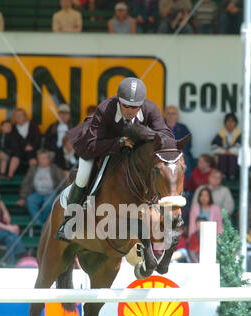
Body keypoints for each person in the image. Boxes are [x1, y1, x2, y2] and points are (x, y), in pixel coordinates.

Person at [56, 76, 177, 239]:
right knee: (83, 176)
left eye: (135, 107)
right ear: (119, 100)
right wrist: (119, 142)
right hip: (99, 146)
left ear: (141, 104)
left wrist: (147, 135)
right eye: (125, 105)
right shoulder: (105, 109)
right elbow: (93, 145)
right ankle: (69, 220)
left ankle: (169, 211)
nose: (129, 110)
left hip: (130, 149)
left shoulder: (150, 108)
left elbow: (166, 134)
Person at [17, 149, 66, 227]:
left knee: (49, 204)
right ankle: (38, 221)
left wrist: (64, 196)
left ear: (49, 160)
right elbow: (26, 183)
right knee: (30, 200)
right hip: (37, 193)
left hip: (50, 192)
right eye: (39, 158)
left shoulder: (55, 169)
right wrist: (23, 197)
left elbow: (63, 181)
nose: (41, 160)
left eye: (44, 158)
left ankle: (45, 222)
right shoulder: (33, 169)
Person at [0, 187, 26, 266]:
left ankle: (11, 263)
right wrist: (10, 228)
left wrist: (4, 210)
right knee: (11, 234)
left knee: (10, 238)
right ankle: (22, 254)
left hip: (3, 234)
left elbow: (8, 220)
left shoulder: (1, 206)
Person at [9, 108, 41, 179]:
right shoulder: (13, 128)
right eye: (16, 115)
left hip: (32, 150)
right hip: (18, 151)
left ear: (25, 116)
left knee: (32, 157)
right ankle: (10, 176)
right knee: (15, 157)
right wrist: (23, 147)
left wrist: (32, 146)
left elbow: (38, 139)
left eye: (21, 115)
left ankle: (35, 178)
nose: (19, 117)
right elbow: (13, 142)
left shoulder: (33, 125)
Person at [163, 105, 193, 180]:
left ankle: (185, 188)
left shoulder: (183, 128)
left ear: (177, 115)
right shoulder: (160, 127)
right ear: (164, 115)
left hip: (180, 154)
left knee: (186, 161)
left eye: (173, 113)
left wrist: (180, 152)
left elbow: (188, 143)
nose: (171, 116)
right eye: (168, 113)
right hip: (163, 154)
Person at [211, 112, 241, 180]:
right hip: (222, 157)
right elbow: (213, 147)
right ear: (225, 122)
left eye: (232, 121)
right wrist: (224, 152)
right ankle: (223, 176)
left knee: (231, 157)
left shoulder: (239, 134)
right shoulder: (220, 134)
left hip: (235, 157)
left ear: (235, 123)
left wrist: (230, 151)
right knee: (223, 156)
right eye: (228, 121)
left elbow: (240, 147)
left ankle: (232, 176)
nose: (230, 123)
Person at [44, 103, 73, 170]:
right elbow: (47, 143)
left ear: (69, 115)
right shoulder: (52, 127)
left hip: (68, 153)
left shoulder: (73, 128)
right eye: (61, 114)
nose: (63, 116)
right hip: (54, 152)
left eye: (66, 114)